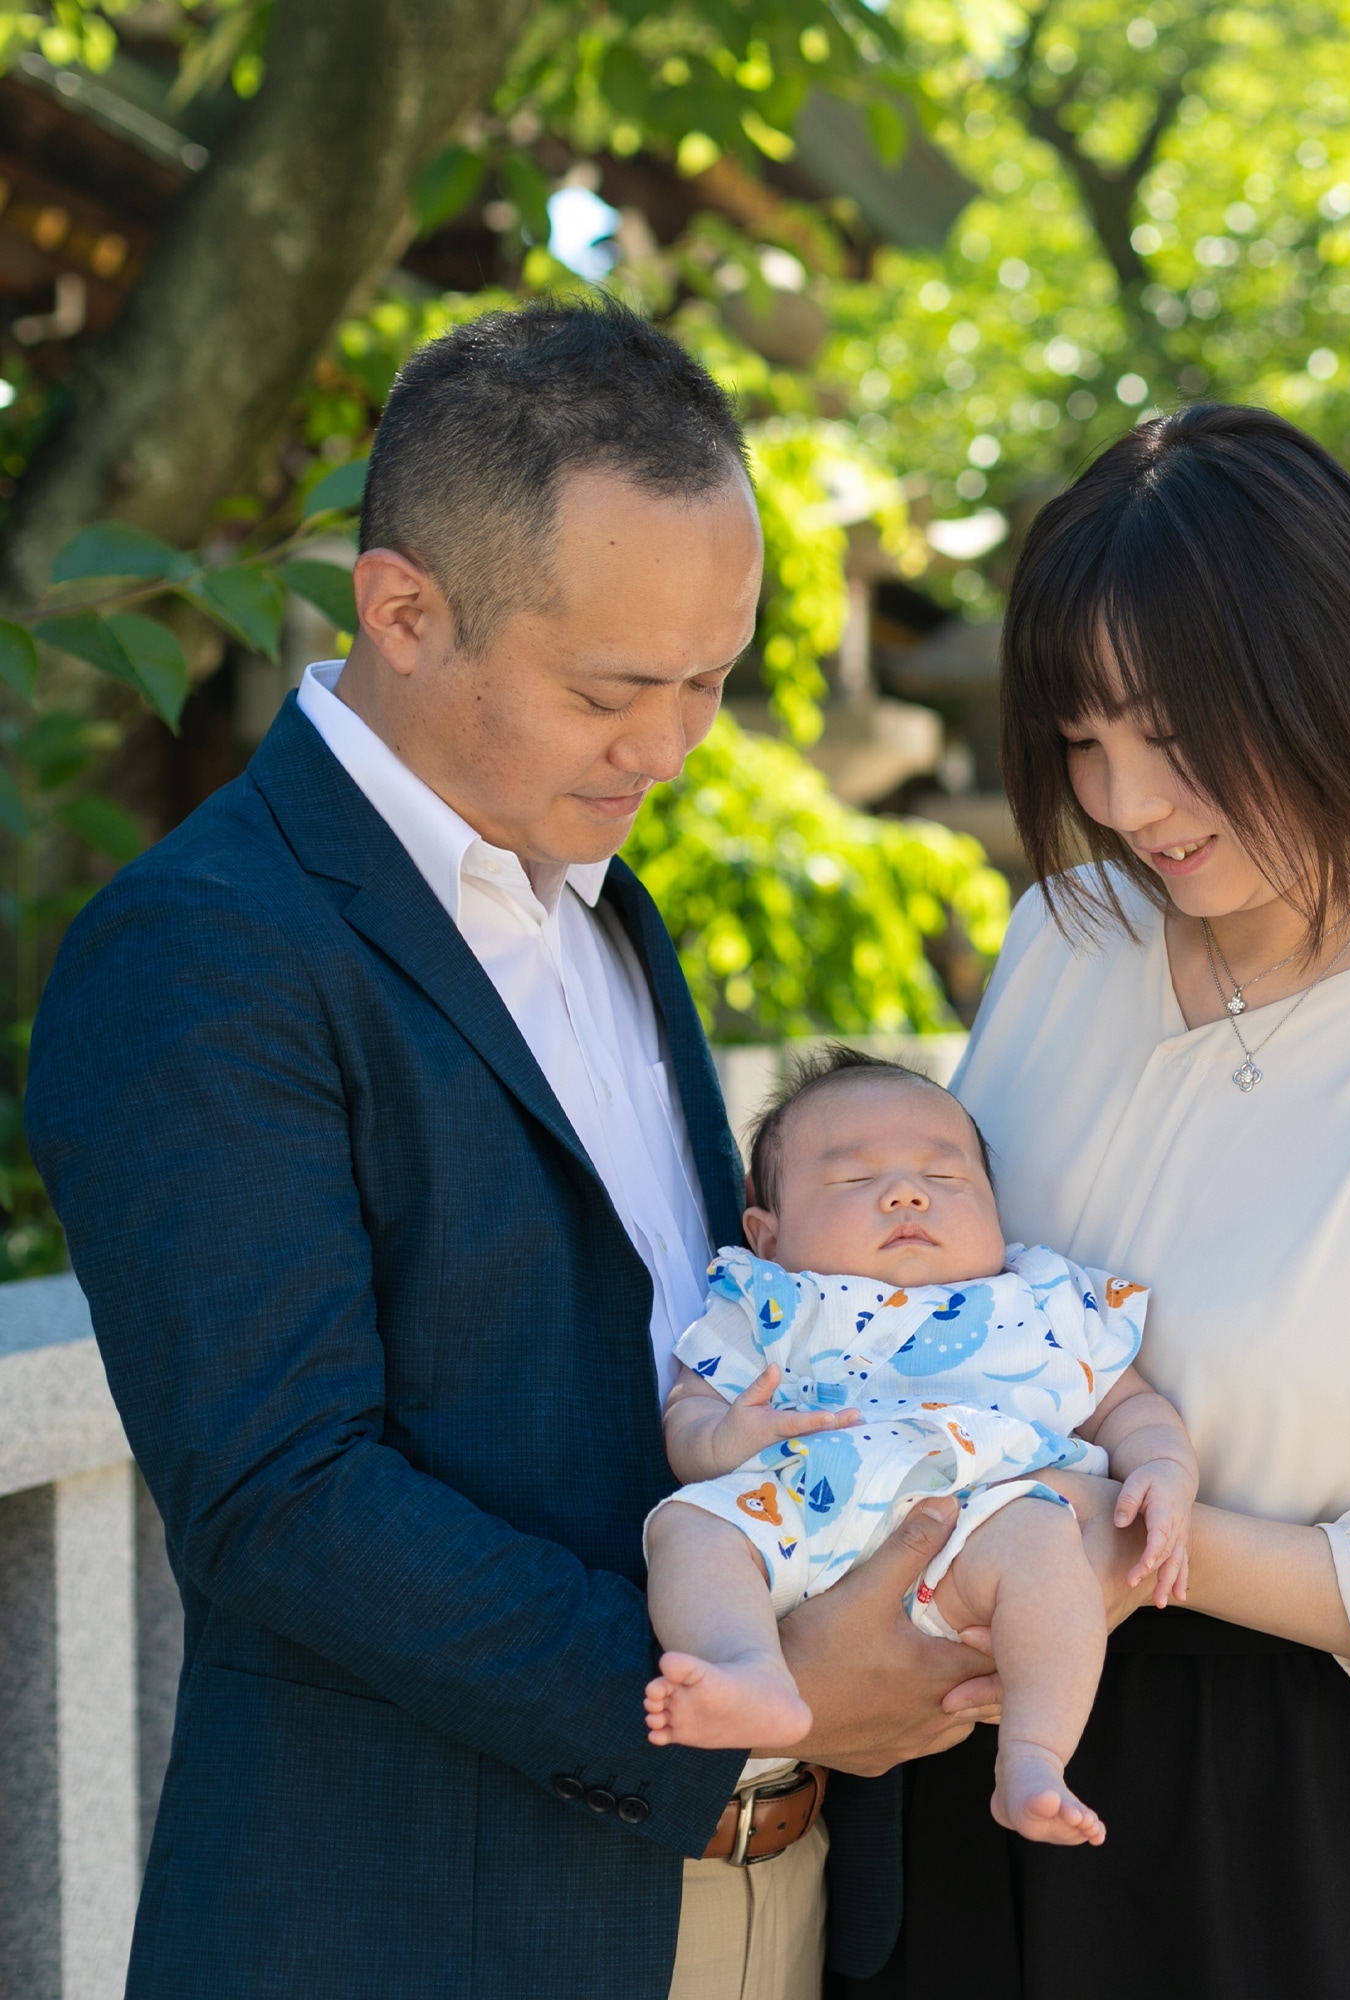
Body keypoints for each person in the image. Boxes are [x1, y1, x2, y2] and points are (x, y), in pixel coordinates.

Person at [26, 299, 998, 2000]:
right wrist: (740, 1687)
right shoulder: (204, 946)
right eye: (618, 688)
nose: (677, 746)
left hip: (789, 1900)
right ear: (402, 609)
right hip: (430, 1925)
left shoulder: (613, 912)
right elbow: (278, 1493)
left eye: (713, 680)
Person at [839, 404, 1350, 2000]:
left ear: (1329, 669)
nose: (1129, 799)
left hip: (1280, 1828)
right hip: (964, 1780)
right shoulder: (1064, 942)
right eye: (1084, 739)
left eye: (1170, 727)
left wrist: (1148, 1545)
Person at [640, 1047, 1198, 1848]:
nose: (905, 1194)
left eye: (945, 1178)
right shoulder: (770, 1300)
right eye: (850, 1180)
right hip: (798, 1506)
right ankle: (753, 1669)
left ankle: (1034, 1755)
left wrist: (1166, 1468)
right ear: (767, 1234)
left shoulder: (1038, 1300)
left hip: (977, 1518)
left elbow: (1129, 1403)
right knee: (687, 1528)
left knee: (1048, 1547)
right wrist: (720, 1439)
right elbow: (690, 1410)